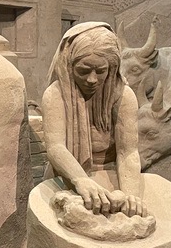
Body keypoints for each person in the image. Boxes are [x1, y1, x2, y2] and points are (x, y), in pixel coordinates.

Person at [42, 21, 147, 218]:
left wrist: (131, 195)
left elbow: (128, 152)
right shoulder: (55, 95)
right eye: (83, 71)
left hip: (113, 176)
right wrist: (81, 180)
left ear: (112, 68)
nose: (92, 79)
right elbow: (56, 147)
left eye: (100, 71)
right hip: (67, 176)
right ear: (69, 66)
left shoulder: (123, 96)